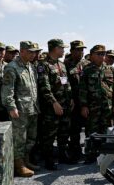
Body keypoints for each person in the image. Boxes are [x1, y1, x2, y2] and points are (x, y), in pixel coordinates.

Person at [1, 41, 40, 177]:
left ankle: (26, 160)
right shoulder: (11, 67)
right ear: (22, 51)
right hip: (20, 109)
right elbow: (7, 90)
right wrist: (11, 107)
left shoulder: (30, 66)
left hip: (32, 107)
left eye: (34, 52)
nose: (33, 54)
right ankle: (19, 166)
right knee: (19, 139)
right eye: (30, 51)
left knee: (31, 137)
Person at [79, 45, 114, 163]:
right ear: (91, 55)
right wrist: (84, 106)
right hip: (93, 107)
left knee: (107, 130)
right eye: (99, 54)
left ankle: (106, 155)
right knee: (92, 131)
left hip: (108, 106)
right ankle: (91, 155)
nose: (102, 56)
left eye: (103, 54)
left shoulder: (109, 69)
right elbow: (82, 89)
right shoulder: (87, 70)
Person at [37, 39, 74, 170]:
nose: (64, 50)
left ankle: (62, 154)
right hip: (51, 107)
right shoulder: (44, 65)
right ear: (54, 48)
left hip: (65, 104)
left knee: (64, 131)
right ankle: (48, 159)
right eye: (61, 48)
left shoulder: (61, 65)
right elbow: (44, 88)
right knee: (49, 133)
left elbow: (65, 83)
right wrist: (54, 103)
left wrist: (70, 99)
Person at [64, 40, 88, 161]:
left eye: (82, 50)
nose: (80, 52)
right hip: (73, 102)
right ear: (72, 51)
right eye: (77, 50)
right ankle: (75, 153)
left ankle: (90, 152)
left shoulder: (87, 64)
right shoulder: (66, 65)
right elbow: (64, 84)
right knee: (74, 129)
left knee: (89, 128)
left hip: (87, 102)